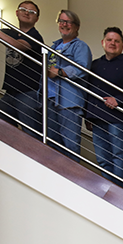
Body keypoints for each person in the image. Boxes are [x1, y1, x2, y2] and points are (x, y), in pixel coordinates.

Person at [87, 27, 123, 185]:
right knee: (102, 159)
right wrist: (87, 115)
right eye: (109, 40)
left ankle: (119, 196)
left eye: (116, 41)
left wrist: (118, 100)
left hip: (118, 119)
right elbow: (88, 91)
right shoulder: (95, 65)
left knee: (118, 155)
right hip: (97, 118)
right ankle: (108, 193)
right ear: (102, 43)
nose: (112, 43)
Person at [0, 0, 43, 139]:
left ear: (37, 19)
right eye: (23, 9)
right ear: (17, 12)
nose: (27, 13)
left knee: (31, 134)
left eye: (32, 12)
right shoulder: (12, 33)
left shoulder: (35, 36)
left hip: (28, 93)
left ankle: (36, 160)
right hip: (10, 93)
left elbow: (18, 45)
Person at [45, 9, 91, 161]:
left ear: (76, 27)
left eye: (68, 22)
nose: (64, 25)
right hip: (50, 99)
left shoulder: (80, 46)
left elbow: (82, 68)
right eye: (61, 21)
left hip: (68, 101)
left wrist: (60, 72)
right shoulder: (53, 46)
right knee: (52, 144)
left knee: (70, 145)